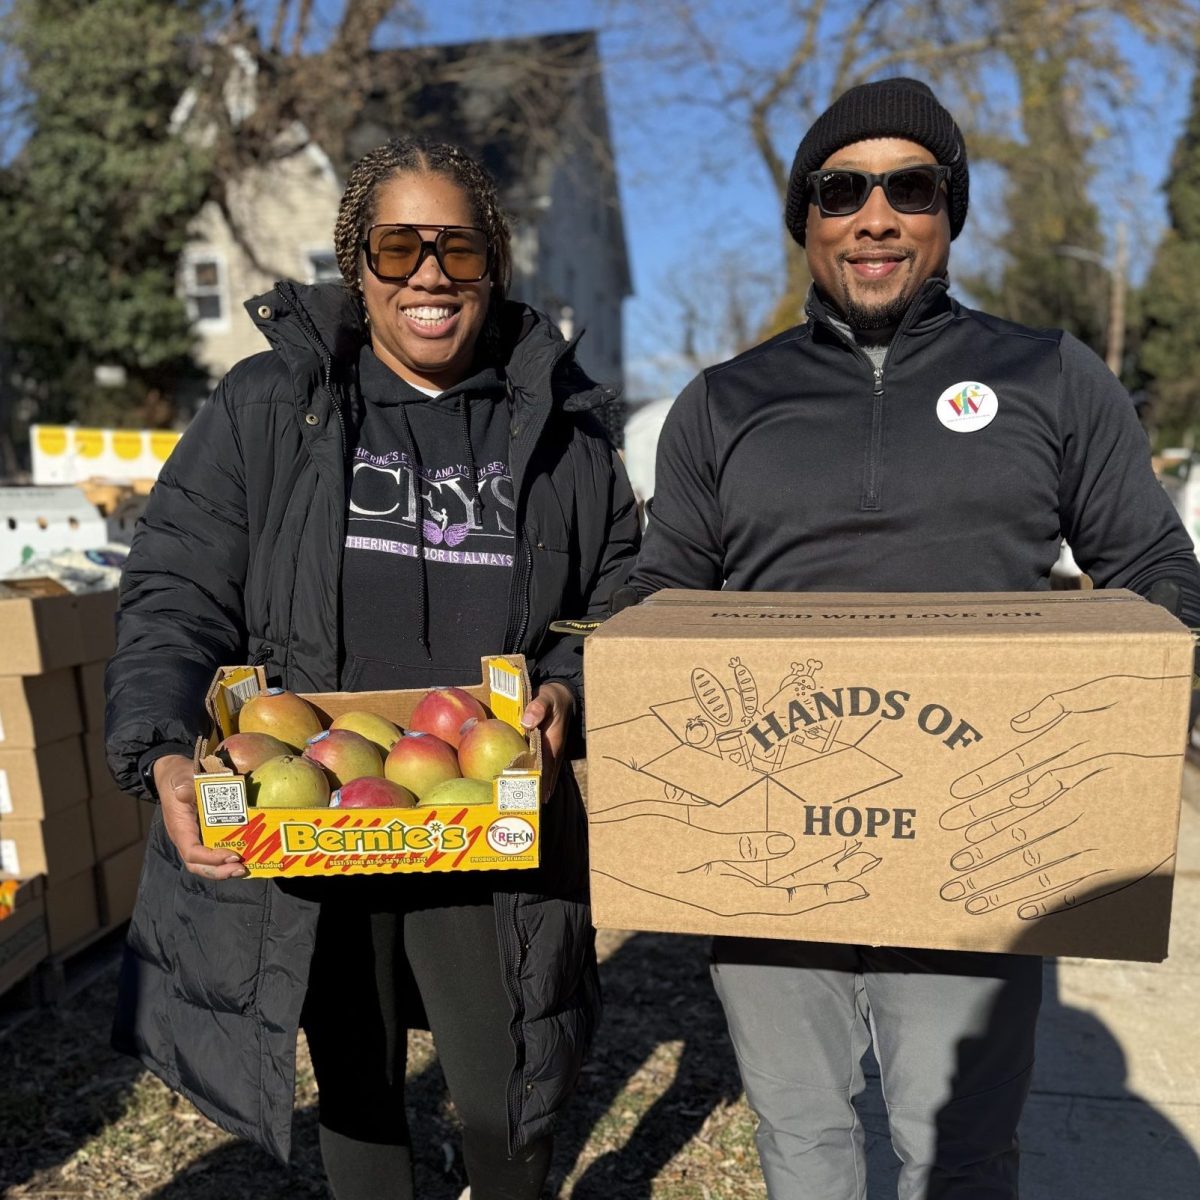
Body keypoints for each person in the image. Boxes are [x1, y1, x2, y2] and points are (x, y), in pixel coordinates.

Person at [628, 77, 1200, 1199]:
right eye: (842, 190)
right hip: (770, 838)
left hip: (982, 840)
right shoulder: (723, 404)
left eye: (910, 187)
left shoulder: (1054, 380)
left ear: (950, 212)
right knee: (804, 1147)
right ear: (806, 219)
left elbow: (1154, 569)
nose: (875, 215)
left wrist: (1115, 713)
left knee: (956, 1155)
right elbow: (665, 599)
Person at [105, 138, 640, 1200]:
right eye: (400, 247)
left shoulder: (562, 432)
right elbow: (177, 590)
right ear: (358, 266)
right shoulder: (271, 407)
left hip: (484, 823)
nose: (431, 275)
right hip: (320, 818)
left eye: (460, 248)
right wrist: (167, 753)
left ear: (495, 264)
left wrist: (570, 684)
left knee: (507, 1102)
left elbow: (619, 599)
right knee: (357, 1097)